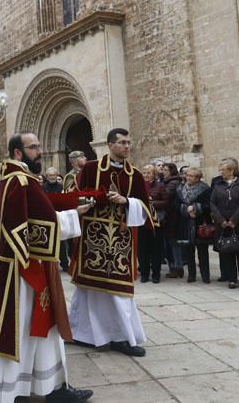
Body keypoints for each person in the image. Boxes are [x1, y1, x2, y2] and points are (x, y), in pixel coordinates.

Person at [0, 133, 93, 403]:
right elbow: (29, 225)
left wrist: (70, 213)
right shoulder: (20, 181)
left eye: (40, 145)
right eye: (34, 147)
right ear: (18, 153)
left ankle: (51, 387)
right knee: (25, 328)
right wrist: (73, 216)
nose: (40, 151)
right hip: (26, 270)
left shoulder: (13, 179)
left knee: (42, 328)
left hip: (26, 265)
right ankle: (16, 391)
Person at [70, 128, 154, 357]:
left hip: (121, 241)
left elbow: (148, 209)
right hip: (93, 238)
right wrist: (91, 199)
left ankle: (122, 337)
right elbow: (73, 195)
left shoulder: (135, 175)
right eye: (123, 142)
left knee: (119, 291)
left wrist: (126, 200)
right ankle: (83, 334)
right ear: (109, 145)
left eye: (129, 142)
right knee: (89, 290)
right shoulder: (90, 168)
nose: (127, 146)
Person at [210, 158, 239, 289]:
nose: (221, 172)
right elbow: (212, 203)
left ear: (232, 170)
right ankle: (232, 278)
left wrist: (234, 220)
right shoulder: (218, 185)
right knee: (228, 251)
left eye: (223, 170)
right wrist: (221, 220)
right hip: (223, 224)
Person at [177, 167, 212, 283]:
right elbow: (176, 205)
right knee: (188, 252)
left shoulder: (205, 189)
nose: (188, 178)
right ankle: (191, 275)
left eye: (191, 176)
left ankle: (205, 276)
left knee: (203, 252)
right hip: (185, 223)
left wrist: (196, 208)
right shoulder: (180, 188)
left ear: (197, 178)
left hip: (200, 223)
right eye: (187, 175)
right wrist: (186, 209)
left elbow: (208, 205)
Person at [138, 164, 164, 283]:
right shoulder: (138, 186)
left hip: (155, 223)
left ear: (154, 174)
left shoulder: (159, 186)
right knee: (142, 250)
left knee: (155, 250)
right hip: (141, 221)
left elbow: (166, 202)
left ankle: (156, 274)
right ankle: (144, 274)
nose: (146, 175)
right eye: (144, 172)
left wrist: (152, 203)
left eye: (149, 173)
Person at [160, 164, 185, 278]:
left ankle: (177, 267)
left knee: (173, 243)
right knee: (169, 243)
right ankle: (174, 266)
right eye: (163, 170)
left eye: (166, 170)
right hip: (169, 216)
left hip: (172, 216)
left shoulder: (173, 182)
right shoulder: (166, 181)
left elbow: (166, 195)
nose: (163, 171)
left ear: (172, 171)